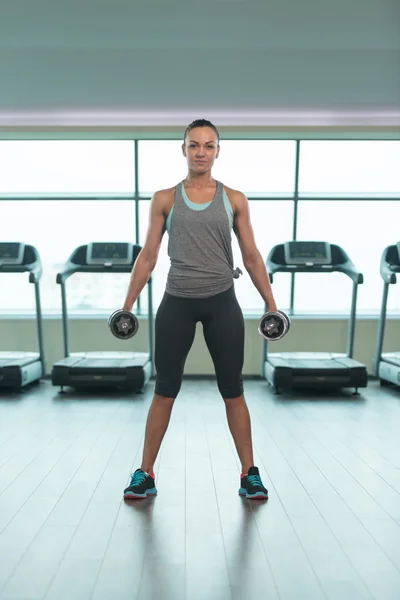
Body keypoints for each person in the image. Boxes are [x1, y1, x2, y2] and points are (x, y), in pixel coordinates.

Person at [121, 119, 278, 500]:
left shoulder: (234, 198)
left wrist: (272, 305)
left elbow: (252, 256)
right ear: (184, 149)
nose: (201, 152)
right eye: (194, 145)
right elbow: (148, 256)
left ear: (218, 151)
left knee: (233, 390)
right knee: (165, 390)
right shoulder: (165, 199)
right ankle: (145, 473)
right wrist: (126, 305)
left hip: (222, 302)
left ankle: (249, 474)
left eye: (209, 145)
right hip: (177, 303)